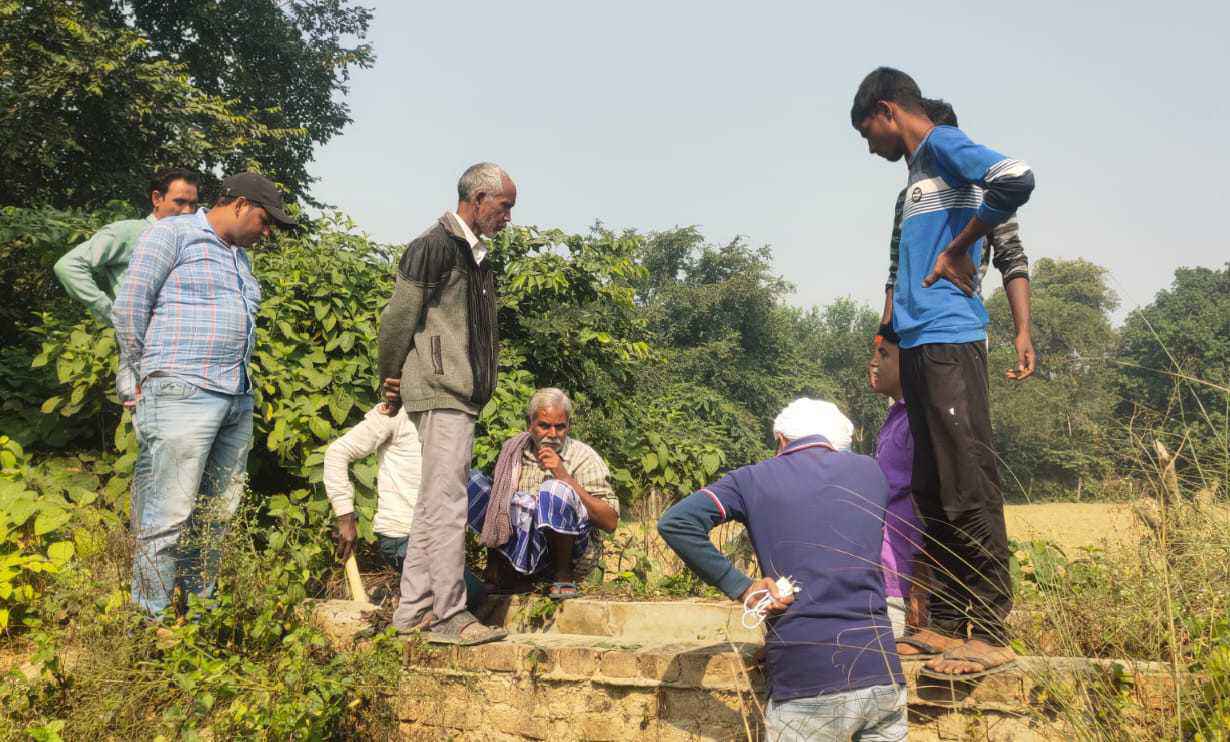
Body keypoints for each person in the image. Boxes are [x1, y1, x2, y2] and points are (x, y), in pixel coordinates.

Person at [852, 66, 1036, 680]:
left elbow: (1016, 178)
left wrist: (960, 248)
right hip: (919, 342)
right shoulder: (914, 182)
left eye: (867, 132)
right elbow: (895, 268)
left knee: (967, 482)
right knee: (931, 487)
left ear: (887, 110)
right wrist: (888, 330)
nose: (869, 146)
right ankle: (948, 625)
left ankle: (991, 629)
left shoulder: (943, 145)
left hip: (952, 338)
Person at [658, 398, 905, 741]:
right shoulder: (871, 473)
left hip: (804, 678)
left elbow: (676, 523)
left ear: (782, 439)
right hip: (882, 673)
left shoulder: (752, 479)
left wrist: (742, 587)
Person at [113, 172, 296, 617]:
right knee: (168, 513)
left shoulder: (239, 257)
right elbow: (130, 307)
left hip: (234, 395)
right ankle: (149, 620)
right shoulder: (172, 234)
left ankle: (198, 615)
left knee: (217, 515)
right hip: (182, 390)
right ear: (240, 204)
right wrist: (144, 372)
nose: (266, 232)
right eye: (265, 220)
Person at [377, 162, 515, 644]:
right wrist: (389, 377)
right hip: (441, 390)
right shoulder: (434, 246)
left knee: (433, 504)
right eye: (504, 207)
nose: (508, 217)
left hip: (457, 394)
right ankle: (449, 615)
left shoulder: (475, 255)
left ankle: (413, 613)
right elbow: (398, 318)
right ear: (478, 200)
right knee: (450, 505)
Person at [880, 100, 1032, 347]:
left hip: (958, 329)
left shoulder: (987, 193)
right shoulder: (906, 197)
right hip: (911, 336)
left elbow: (1012, 258)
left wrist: (1023, 332)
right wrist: (884, 335)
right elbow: (896, 271)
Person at [54, 168, 200, 406]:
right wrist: (110, 311)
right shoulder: (129, 232)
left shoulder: (190, 239)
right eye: (179, 202)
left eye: (193, 204)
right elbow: (68, 266)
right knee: (152, 420)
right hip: (141, 354)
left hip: (184, 354)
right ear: (157, 198)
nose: (187, 211)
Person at [323, 402, 485, 609]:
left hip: (435, 539)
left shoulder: (449, 413)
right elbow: (337, 453)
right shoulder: (396, 412)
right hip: (403, 537)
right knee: (469, 595)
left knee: (475, 594)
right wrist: (345, 517)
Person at [466, 388, 619, 600]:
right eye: (544, 426)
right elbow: (497, 510)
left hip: (573, 557)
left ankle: (562, 576)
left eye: (560, 427)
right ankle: (506, 574)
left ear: (569, 426)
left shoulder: (583, 456)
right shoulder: (513, 452)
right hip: (520, 553)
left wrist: (564, 477)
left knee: (554, 489)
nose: (552, 434)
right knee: (473, 481)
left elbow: (610, 521)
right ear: (530, 424)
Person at [869, 324, 934, 658]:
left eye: (884, 354)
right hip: (888, 564)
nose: (873, 363)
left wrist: (921, 577)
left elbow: (926, 496)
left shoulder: (916, 419)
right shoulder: (896, 417)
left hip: (905, 569)